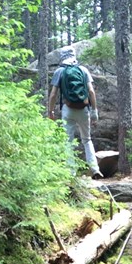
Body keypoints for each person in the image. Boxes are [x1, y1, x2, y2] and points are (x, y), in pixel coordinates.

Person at [48, 46, 103, 179]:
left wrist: (50, 111)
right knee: (87, 139)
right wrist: (94, 112)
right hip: (84, 109)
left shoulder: (60, 71)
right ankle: (95, 169)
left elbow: (53, 94)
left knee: (68, 141)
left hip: (68, 109)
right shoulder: (83, 70)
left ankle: (71, 172)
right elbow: (91, 92)